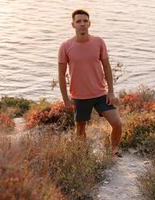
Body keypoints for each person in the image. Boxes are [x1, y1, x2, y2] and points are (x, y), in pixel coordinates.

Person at [58, 9, 122, 156]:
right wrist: (65, 99)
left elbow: (106, 66)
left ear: (89, 23)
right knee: (80, 129)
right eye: (78, 21)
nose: (82, 24)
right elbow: (61, 74)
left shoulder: (98, 42)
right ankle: (83, 156)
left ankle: (114, 151)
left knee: (117, 124)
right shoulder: (65, 46)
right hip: (79, 96)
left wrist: (111, 91)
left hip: (100, 94)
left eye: (85, 21)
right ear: (73, 24)